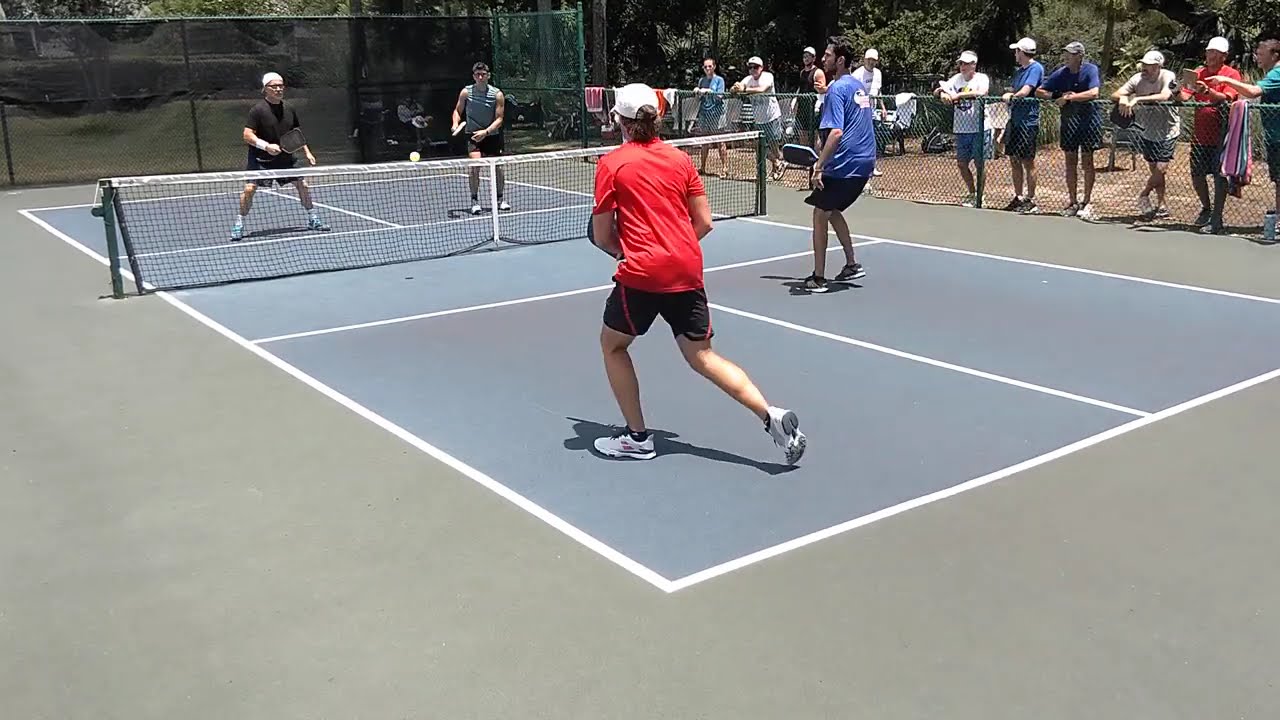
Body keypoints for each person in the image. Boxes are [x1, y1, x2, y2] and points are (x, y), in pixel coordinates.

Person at [588, 82, 806, 464]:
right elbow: (703, 222)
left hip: (642, 274)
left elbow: (603, 235)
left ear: (619, 121)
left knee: (613, 345)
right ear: (657, 118)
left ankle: (638, 439)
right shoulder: (680, 159)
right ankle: (769, 414)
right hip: (686, 268)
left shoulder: (612, 164)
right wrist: (672, 249)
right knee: (702, 355)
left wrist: (630, 250)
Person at [801, 35, 877, 293]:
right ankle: (852, 265)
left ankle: (819, 278)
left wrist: (819, 166)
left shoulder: (836, 89)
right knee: (831, 210)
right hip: (865, 161)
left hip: (847, 163)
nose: (823, 60)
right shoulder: (859, 87)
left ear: (840, 60)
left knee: (820, 213)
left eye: (828, 56)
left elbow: (835, 133)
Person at [232, 72, 330, 242]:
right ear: (265, 89)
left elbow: (295, 134)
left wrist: (307, 152)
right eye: (274, 86)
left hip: (285, 159)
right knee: (249, 190)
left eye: (280, 86)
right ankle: (239, 224)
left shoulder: (289, 109)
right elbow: (247, 135)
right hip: (260, 159)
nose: (278, 89)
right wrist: (266, 146)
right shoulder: (257, 111)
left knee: (303, 185)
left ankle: (313, 219)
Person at [1208, 37, 1280, 237]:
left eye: (1261, 54)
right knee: (1278, 180)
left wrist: (1226, 80)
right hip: (1274, 137)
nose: (1257, 57)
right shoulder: (1272, 73)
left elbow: (1253, 91)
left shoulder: (1277, 73)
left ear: (1274, 55)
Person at [1178, 36, 1241, 234]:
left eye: (1214, 52)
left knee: (1218, 176)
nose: (1210, 56)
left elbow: (1225, 98)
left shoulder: (1231, 74)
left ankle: (1217, 217)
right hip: (1200, 135)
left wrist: (1208, 90)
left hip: (1222, 135)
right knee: (1197, 174)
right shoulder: (1198, 72)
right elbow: (1185, 96)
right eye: (1208, 52)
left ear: (1224, 56)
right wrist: (1175, 91)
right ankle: (1206, 208)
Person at [1035, 41, 1103, 219]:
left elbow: (1094, 93)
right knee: (1070, 163)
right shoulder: (1060, 73)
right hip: (1069, 123)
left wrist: (1071, 98)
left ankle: (1087, 202)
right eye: (1066, 53)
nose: (1067, 57)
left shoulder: (1090, 70)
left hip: (1089, 121)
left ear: (1080, 56)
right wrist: (1057, 96)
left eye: (1071, 54)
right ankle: (1072, 202)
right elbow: (1039, 92)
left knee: (1087, 162)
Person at [1113, 50, 1181, 220]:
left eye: (1149, 65)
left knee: (1161, 168)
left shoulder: (1167, 75)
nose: (1145, 68)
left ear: (1158, 66)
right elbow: (1115, 93)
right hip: (1147, 130)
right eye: (1144, 64)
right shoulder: (1137, 78)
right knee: (1156, 172)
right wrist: (1122, 99)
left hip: (1168, 130)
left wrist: (1137, 99)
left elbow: (1166, 95)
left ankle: (1144, 194)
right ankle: (1162, 206)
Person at [452, 62, 510, 215]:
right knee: (475, 165)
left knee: (498, 167)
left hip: (492, 135)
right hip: (472, 135)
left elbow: (499, 119)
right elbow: (458, 110)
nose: (480, 77)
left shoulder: (497, 94)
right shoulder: (466, 92)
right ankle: (474, 201)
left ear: (488, 75)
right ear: (473, 76)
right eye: (477, 74)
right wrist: (455, 123)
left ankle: (500, 199)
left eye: (483, 74)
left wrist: (486, 132)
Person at [935, 50, 991, 207]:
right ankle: (972, 193)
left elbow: (982, 92)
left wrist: (958, 96)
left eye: (966, 63)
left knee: (980, 163)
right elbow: (940, 89)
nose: (962, 66)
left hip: (979, 127)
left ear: (974, 65)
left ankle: (981, 196)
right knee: (961, 163)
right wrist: (941, 94)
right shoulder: (956, 79)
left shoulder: (981, 78)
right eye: (961, 63)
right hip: (961, 128)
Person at [1000, 37, 1045, 214]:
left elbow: (1026, 91)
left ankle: (1030, 200)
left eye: (1016, 51)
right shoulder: (1019, 71)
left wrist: (1012, 96)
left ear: (1022, 52)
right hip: (1015, 121)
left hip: (1028, 122)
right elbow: (1015, 89)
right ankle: (1018, 197)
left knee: (1028, 161)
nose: (1015, 54)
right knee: (1014, 159)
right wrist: (1010, 93)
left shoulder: (1036, 68)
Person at [692, 57, 730, 175]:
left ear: (714, 67)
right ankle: (702, 167)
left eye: (710, 66)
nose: (707, 69)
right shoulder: (701, 80)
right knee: (704, 142)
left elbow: (720, 96)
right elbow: (698, 99)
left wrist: (709, 91)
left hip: (717, 115)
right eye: (705, 67)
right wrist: (697, 92)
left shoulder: (719, 80)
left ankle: (725, 168)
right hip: (704, 114)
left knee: (720, 142)